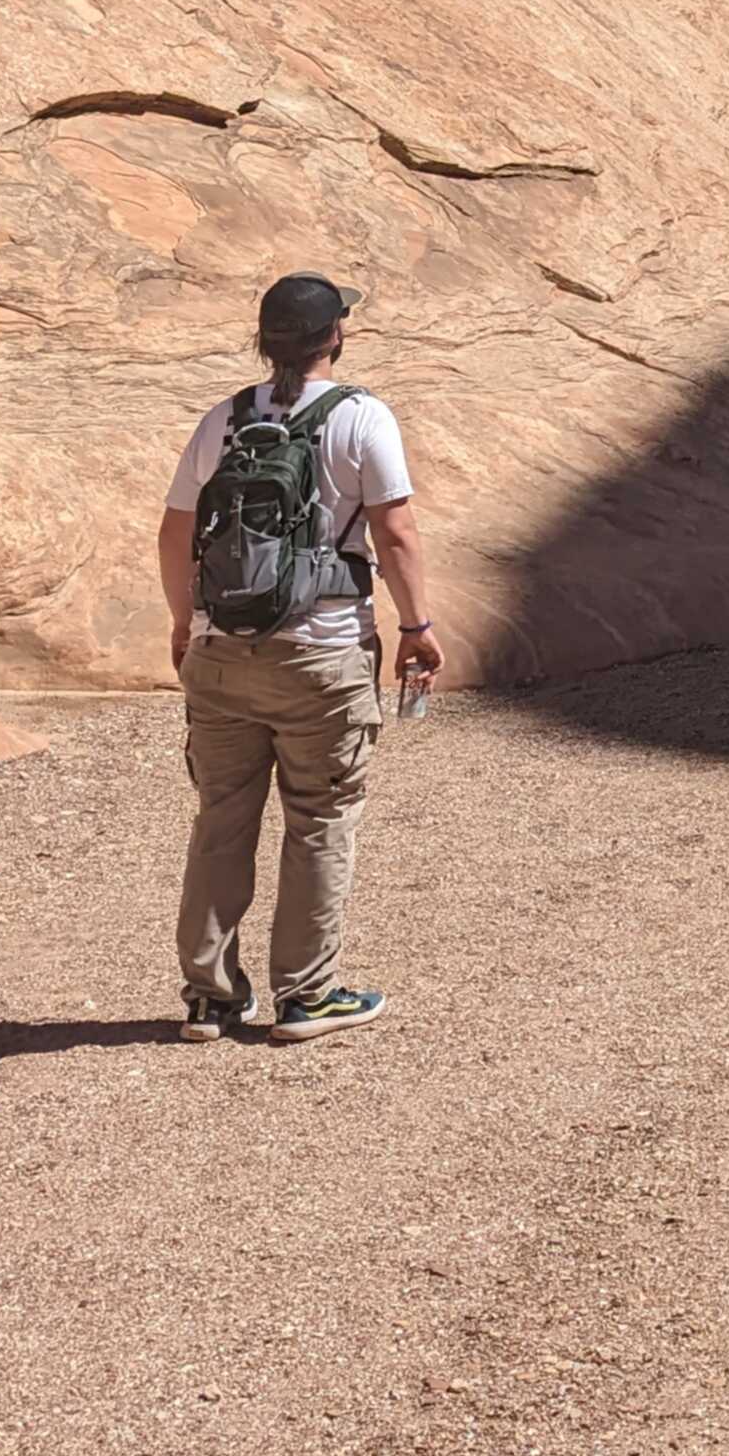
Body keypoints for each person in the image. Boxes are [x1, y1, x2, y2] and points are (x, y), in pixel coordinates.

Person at [157, 273, 439, 1043]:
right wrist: (417, 626)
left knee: (221, 819)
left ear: (263, 340)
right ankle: (307, 996)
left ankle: (210, 998)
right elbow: (398, 533)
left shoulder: (225, 418)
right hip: (323, 655)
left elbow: (175, 531)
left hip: (221, 652)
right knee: (318, 817)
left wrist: (186, 623)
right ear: (335, 337)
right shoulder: (361, 418)